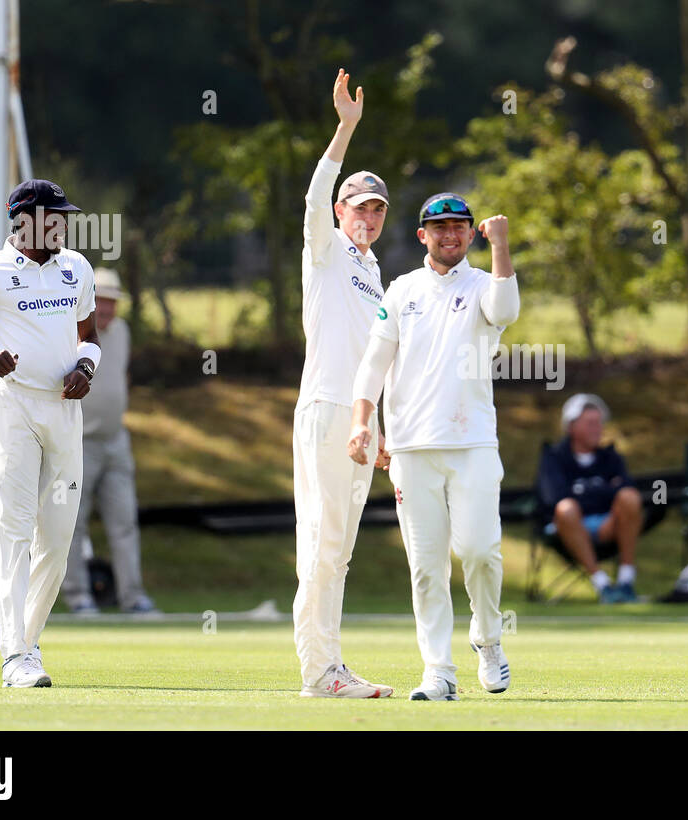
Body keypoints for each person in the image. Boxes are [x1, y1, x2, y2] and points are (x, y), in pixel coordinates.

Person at [348, 192, 520, 701]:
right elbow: (373, 365)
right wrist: (364, 425)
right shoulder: (402, 292)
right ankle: (438, 670)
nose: (450, 235)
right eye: (439, 227)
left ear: (471, 235)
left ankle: (488, 640)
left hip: (472, 443)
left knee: (480, 551)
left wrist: (503, 245)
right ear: (423, 235)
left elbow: (506, 308)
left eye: (459, 227)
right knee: (426, 566)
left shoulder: (486, 284)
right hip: (411, 449)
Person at [0, 178, 99, 688]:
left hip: (63, 412)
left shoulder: (76, 267)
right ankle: (15, 656)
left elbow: (89, 337)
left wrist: (85, 368)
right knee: (15, 528)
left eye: (65, 217)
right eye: (54, 216)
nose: (63, 225)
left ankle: (26, 645)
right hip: (14, 409)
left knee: (56, 537)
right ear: (24, 220)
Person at [292, 69, 394, 698]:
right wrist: (346, 126)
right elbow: (312, 197)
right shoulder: (324, 248)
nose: (369, 217)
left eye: (379, 209)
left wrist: (382, 427)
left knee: (341, 549)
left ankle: (330, 664)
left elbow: (378, 356)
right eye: (360, 207)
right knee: (323, 542)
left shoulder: (373, 267)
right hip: (327, 409)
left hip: (359, 418)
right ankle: (318, 671)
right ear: (340, 212)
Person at [61, 269, 157, 615]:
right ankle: (79, 598)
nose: (107, 308)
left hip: (116, 439)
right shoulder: (71, 331)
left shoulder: (123, 331)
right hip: (79, 441)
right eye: (101, 300)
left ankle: (134, 598)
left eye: (112, 302)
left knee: (125, 521)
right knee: (73, 522)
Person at [537, 393, 643, 603]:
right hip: (569, 529)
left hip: (608, 526)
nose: (597, 428)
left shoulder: (611, 457)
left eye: (599, 423)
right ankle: (601, 583)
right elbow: (554, 498)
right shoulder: (553, 458)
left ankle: (625, 581)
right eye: (590, 423)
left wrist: (582, 491)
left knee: (630, 498)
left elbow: (626, 489)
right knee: (566, 509)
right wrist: (604, 489)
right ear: (571, 427)